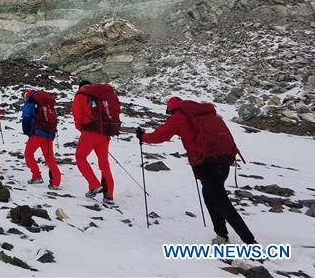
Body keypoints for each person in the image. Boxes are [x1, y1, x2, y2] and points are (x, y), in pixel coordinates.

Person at [137, 97, 256, 245]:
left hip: (207, 163)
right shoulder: (206, 115)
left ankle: (250, 243)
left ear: (171, 108)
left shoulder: (178, 117)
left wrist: (143, 136)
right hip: (224, 160)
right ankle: (221, 236)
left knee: (221, 202)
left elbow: (160, 135)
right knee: (210, 198)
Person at [72, 80, 120, 204]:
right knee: (104, 164)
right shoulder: (101, 95)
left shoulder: (81, 95)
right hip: (105, 132)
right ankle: (109, 195)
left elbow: (77, 115)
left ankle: (94, 185)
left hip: (90, 132)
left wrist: (81, 128)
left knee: (80, 157)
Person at [21, 90, 61, 189]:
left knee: (28, 153)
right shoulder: (47, 105)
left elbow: (26, 117)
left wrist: (27, 131)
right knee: (49, 157)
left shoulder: (30, 103)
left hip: (37, 133)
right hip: (49, 133)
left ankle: (36, 176)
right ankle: (56, 182)